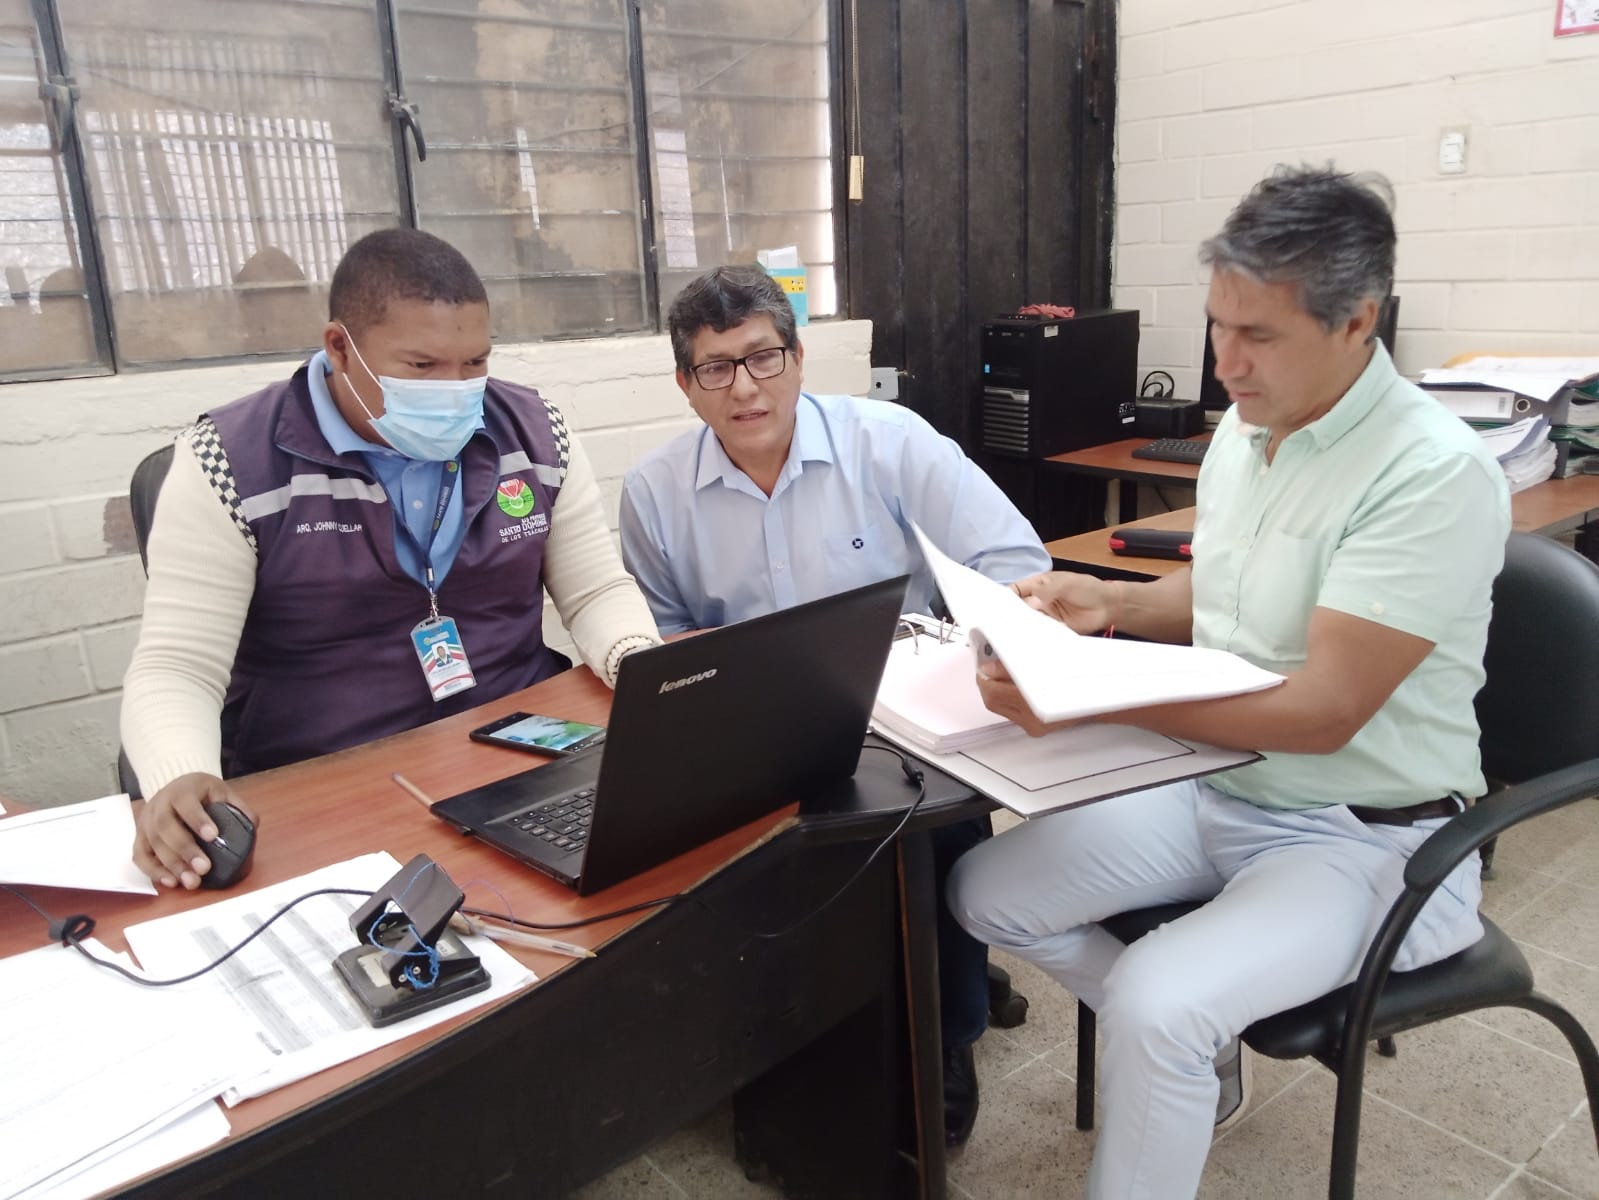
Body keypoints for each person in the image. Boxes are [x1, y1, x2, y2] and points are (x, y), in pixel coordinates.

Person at [948, 165, 1510, 1199]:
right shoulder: (1249, 432)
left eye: (1258, 335)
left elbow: (1324, 709)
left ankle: (1172, 1045)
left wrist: (1089, 690)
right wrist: (1103, 604)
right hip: (1221, 785)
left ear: (1358, 322)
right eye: (1217, 325)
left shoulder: (1429, 472)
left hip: (1370, 837)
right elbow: (1225, 592)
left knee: (1155, 1003)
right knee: (985, 893)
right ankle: (1193, 1060)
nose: (1225, 363)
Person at [619, 264, 1052, 1147]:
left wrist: (975, 658)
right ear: (685, 383)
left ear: (797, 357)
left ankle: (947, 1033)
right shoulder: (654, 493)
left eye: (762, 357)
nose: (745, 388)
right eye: (715, 368)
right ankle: (779, 1043)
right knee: (720, 856)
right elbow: (659, 639)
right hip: (757, 730)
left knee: (933, 839)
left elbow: (1013, 565)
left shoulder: (889, 442)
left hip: (908, 715)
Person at [124, 228, 660, 890]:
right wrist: (180, 775)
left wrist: (638, 666)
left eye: (475, 362)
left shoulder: (535, 432)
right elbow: (177, 665)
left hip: (516, 748)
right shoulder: (229, 461)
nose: (457, 390)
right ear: (340, 347)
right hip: (327, 776)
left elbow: (596, 589)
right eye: (422, 366)